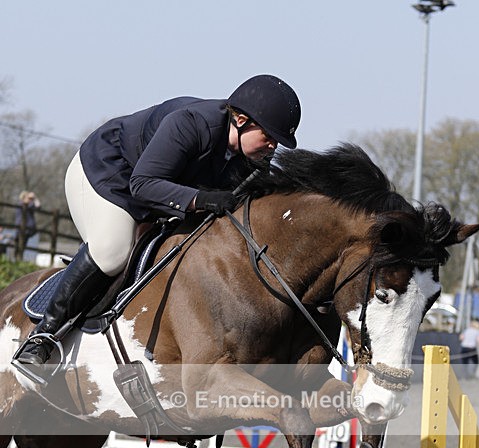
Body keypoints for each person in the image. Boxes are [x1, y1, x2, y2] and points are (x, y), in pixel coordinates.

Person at [13, 74, 301, 370]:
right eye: (268, 138)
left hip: (158, 190)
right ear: (241, 120)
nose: (272, 148)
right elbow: (142, 185)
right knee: (113, 252)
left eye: (277, 143)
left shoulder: (249, 160)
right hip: (111, 175)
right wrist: (201, 199)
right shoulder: (191, 124)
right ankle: (43, 335)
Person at [15, 190, 41, 258]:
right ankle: (17, 259)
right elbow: (36, 205)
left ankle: (18, 259)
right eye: (29, 198)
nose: (30, 200)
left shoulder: (29, 206)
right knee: (18, 246)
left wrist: (35, 198)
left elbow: (38, 206)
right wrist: (32, 198)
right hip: (21, 229)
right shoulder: (22, 204)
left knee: (22, 246)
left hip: (27, 230)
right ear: (23, 198)